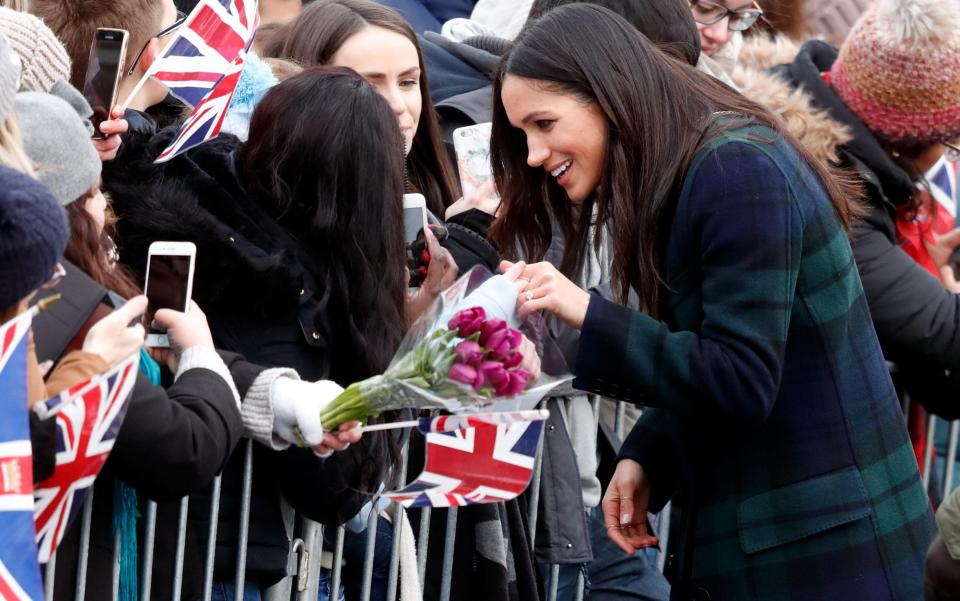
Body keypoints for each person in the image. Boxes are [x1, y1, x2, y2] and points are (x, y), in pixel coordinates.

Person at [490, 4, 935, 599]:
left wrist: (589, 313)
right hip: (793, 544)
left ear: (607, 93)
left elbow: (742, 378)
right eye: (523, 133)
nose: (534, 155)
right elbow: (714, 349)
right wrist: (649, 453)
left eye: (544, 123)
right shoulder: (703, 162)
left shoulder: (734, 167)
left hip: (823, 556)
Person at [102, 66, 454, 600]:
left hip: (153, 548)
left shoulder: (190, 199)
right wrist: (405, 337)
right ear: (366, 189)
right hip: (216, 561)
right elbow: (335, 488)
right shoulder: (284, 290)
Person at [770, 0, 960, 477]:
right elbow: (945, 334)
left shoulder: (847, 165)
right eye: (950, 140)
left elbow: (933, 376)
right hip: (804, 483)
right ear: (903, 137)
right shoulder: (831, 193)